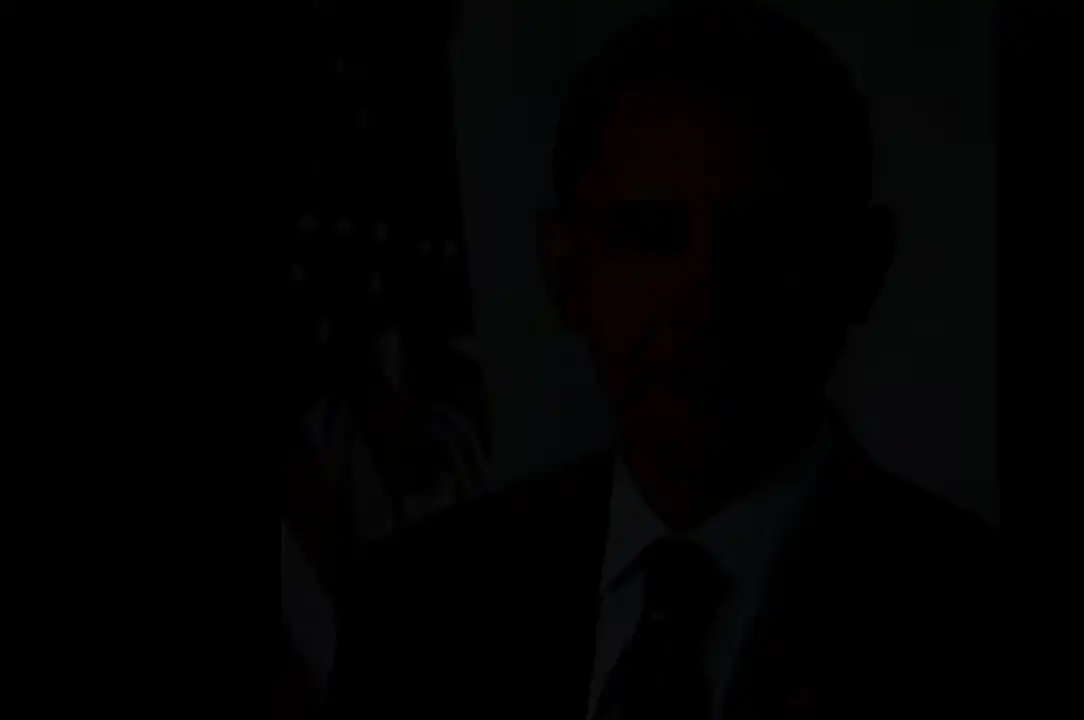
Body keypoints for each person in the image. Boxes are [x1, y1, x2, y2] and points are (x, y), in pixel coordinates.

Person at [332, 4, 996, 718]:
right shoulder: (416, 603)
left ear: (860, 267)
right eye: (649, 236)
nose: (702, 297)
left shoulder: (972, 619)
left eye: (765, 239)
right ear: (563, 271)